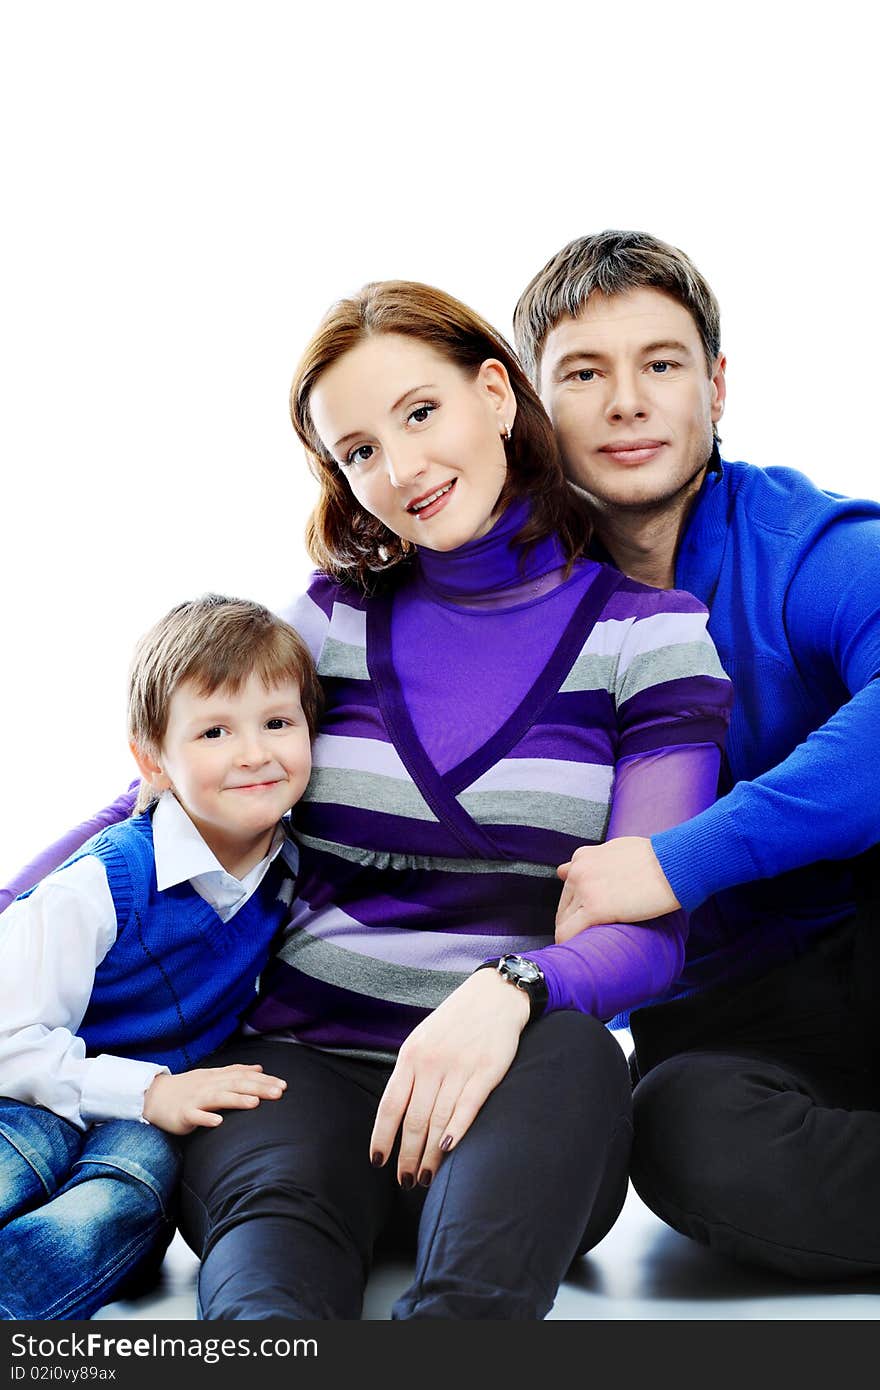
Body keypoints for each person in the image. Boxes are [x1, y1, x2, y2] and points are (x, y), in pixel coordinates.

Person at [0, 282, 732, 1320]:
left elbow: (650, 930)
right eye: (358, 451)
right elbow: (160, 800)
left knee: (559, 1081)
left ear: (495, 393)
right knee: (266, 1304)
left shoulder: (646, 637)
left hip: (518, 1084)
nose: (400, 469)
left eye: (419, 413)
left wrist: (510, 987)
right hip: (301, 1074)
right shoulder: (333, 620)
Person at [512, 229, 880, 1279]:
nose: (627, 402)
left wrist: (676, 861)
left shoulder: (803, 545)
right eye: (584, 373)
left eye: (661, 364)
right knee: (680, 1137)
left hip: (865, 935)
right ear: (535, 410)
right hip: (725, 1019)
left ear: (714, 386)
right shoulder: (505, 597)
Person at [0, 595, 320, 1320]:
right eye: (214, 731)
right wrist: (144, 1092)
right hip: (27, 1091)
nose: (255, 754)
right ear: (154, 761)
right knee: (15, 1159)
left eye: (278, 722)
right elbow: (7, 1044)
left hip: (143, 1127)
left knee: (126, 1200)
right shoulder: (101, 885)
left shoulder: (297, 871)